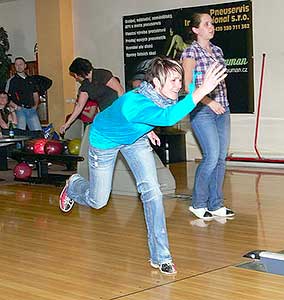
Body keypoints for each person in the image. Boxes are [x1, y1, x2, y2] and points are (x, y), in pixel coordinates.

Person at [58, 57, 226, 275]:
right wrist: (202, 90)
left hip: (134, 139)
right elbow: (166, 118)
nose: (177, 86)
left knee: (153, 193)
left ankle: (161, 256)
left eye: (178, 80)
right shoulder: (135, 103)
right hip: (104, 142)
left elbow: (179, 98)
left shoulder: (161, 95)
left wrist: (192, 72)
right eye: (173, 81)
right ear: (156, 83)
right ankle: (74, 185)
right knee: (98, 201)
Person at [181, 12, 234, 220]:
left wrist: (221, 103)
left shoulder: (217, 51)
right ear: (195, 30)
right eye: (206, 24)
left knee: (221, 158)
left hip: (223, 109)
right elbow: (187, 86)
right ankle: (198, 203)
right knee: (211, 156)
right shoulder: (190, 53)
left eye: (211, 23)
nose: (211, 27)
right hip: (202, 110)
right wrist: (209, 101)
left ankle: (216, 204)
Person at [60, 57, 124, 134]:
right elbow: (79, 105)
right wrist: (67, 124)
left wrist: (119, 111)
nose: (76, 77)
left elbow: (120, 90)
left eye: (75, 74)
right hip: (106, 113)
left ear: (80, 71)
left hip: (117, 110)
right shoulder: (85, 84)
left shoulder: (102, 74)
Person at [5, 57, 42, 133]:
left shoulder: (31, 80)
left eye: (21, 64)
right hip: (19, 111)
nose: (19, 66)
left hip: (32, 110)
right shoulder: (12, 81)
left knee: (38, 133)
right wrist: (16, 106)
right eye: (16, 65)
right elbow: (6, 97)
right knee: (20, 135)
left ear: (25, 65)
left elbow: (35, 94)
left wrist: (35, 106)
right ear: (14, 67)